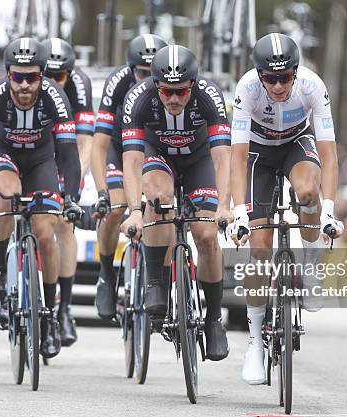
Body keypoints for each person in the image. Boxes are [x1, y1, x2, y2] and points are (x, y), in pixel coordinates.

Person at [227, 33, 344, 384]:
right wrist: (238, 213)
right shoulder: (247, 89)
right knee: (259, 249)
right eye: (270, 78)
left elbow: (329, 154)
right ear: (259, 75)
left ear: (296, 71)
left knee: (308, 191)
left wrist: (330, 212)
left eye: (285, 77)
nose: (277, 85)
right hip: (258, 156)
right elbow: (236, 157)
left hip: (296, 143)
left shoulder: (312, 86)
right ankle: (254, 344)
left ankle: (311, 266)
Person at [0, 37, 82, 359]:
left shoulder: (56, 98)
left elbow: (69, 154)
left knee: (47, 234)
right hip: (5, 157)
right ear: (8, 75)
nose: (23, 85)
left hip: (41, 161)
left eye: (31, 77)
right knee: (5, 195)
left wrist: (71, 198)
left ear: (42, 75)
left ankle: (48, 313)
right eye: (17, 77)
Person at [119, 45, 232, 361]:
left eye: (181, 92)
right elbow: (131, 161)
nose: (173, 99)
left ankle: (212, 320)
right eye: (167, 91)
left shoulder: (210, 95)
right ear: (156, 85)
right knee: (158, 195)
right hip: (159, 157)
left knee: (207, 236)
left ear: (192, 85)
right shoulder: (139, 99)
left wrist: (224, 205)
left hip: (199, 160)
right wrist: (135, 212)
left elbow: (223, 158)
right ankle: (156, 279)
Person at [90, 34, 167, 320]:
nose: (146, 78)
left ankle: (161, 280)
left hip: (154, 148)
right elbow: (99, 143)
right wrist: (101, 192)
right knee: (115, 207)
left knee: (163, 206)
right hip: (119, 145)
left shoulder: (169, 85)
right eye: (141, 73)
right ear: (130, 69)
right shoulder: (119, 82)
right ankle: (106, 274)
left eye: (152, 73)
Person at [40, 37, 95, 347]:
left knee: (63, 223)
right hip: (32, 147)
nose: (53, 82)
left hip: (65, 151)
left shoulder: (80, 84)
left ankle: (64, 308)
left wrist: (73, 184)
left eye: (60, 76)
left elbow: (84, 142)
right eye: (48, 75)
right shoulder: (28, 81)